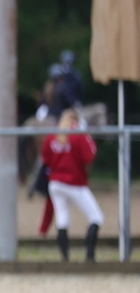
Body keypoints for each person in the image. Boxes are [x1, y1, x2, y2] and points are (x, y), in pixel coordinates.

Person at [41, 107, 103, 261]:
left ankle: (65, 257)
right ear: (76, 120)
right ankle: (90, 256)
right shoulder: (79, 135)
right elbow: (90, 156)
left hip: (55, 182)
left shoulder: (52, 136)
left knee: (62, 218)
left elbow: (46, 159)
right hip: (74, 182)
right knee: (96, 217)